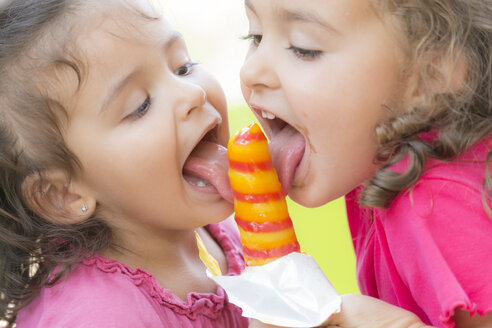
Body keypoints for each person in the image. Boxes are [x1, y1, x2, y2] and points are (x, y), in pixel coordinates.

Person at [239, 0, 492, 327]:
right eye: (255, 37)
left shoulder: (434, 205)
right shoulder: (374, 163)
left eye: (304, 48)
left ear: (429, 75)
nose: (251, 71)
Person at [0, 0, 250, 327]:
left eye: (183, 67)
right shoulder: (100, 316)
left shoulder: (212, 231)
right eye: (140, 105)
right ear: (63, 194)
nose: (192, 94)